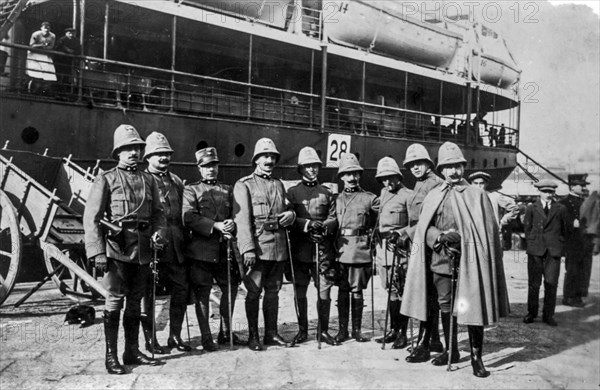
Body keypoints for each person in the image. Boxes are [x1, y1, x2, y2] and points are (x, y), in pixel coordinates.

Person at [401, 142, 510, 378]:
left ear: (463, 166)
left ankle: (476, 357)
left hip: (470, 262)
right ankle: (451, 350)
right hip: (440, 261)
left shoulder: (476, 195)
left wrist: (460, 239)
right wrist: (438, 237)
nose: (453, 171)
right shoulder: (434, 195)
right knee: (445, 306)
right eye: (448, 167)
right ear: (441, 170)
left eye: (457, 166)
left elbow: (485, 232)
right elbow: (423, 227)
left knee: (472, 307)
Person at [84, 124, 166, 374]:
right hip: (116, 248)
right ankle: (111, 357)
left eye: (136, 148)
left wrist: (159, 233)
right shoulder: (106, 179)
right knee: (114, 299)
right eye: (127, 149)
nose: (133, 153)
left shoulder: (148, 180)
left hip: (142, 249)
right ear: (117, 152)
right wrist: (97, 252)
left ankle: (131, 351)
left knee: (135, 301)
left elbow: (159, 214)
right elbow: (92, 218)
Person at [233, 138, 296, 351]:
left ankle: (271, 333)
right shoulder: (244, 185)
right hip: (258, 248)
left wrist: (291, 214)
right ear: (256, 159)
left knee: (273, 292)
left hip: (277, 248)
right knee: (253, 292)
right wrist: (247, 248)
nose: (269, 160)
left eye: (272, 157)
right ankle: (253, 336)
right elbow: (242, 221)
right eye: (264, 156)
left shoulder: (278, 184)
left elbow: (287, 207)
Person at [183, 147, 244, 351]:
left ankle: (226, 332)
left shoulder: (228, 190)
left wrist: (232, 225)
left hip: (225, 249)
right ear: (199, 169)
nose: (211, 170)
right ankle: (206, 337)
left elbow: (238, 214)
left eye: (214, 165)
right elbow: (189, 217)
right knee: (203, 293)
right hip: (201, 251)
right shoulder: (192, 190)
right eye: (206, 166)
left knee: (230, 289)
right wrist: (216, 226)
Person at [286, 147, 339, 345]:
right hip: (300, 250)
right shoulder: (292, 193)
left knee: (324, 290)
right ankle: (302, 331)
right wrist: (307, 225)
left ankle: (323, 331)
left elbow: (334, 217)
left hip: (322, 250)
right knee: (300, 291)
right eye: (308, 166)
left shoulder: (326, 192)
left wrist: (324, 227)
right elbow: (289, 217)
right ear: (301, 169)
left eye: (315, 166)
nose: (312, 170)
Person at [142, 132, 188, 354]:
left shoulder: (176, 181)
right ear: (148, 156)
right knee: (149, 295)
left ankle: (175, 336)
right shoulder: (143, 180)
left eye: (166, 154)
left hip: (177, 246)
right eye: (158, 154)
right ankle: (151, 340)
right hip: (153, 247)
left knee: (180, 291)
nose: (163, 158)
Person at [401, 144, 444, 362]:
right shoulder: (419, 184)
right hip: (418, 243)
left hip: (430, 246)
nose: (415, 167)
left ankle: (424, 344)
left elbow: (429, 220)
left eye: (419, 163)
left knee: (428, 295)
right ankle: (433, 339)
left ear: (429, 163)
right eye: (411, 165)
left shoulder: (435, 184)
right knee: (428, 294)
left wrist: (406, 233)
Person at [334, 153, 379, 343]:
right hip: (340, 249)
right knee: (342, 290)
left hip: (359, 250)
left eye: (355, 174)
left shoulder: (369, 199)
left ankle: (357, 331)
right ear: (342, 177)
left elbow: (382, 219)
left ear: (359, 175)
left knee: (357, 290)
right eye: (347, 174)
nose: (352, 178)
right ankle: (342, 331)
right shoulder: (335, 199)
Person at [372, 157, 412, 349]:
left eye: (390, 178)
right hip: (383, 248)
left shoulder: (408, 195)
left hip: (400, 247)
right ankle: (394, 330)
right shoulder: (383, 193)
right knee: (390, 289)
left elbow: (415, 223)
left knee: (401, 290)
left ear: (398, 176)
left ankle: (403, 333)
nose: (387, 182)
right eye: (383, 179)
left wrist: (401, 233)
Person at [523, 180, 569, 327]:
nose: (548, 195)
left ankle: (548, 315)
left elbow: (566, 229)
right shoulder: (531, 208)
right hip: (536, 250)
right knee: (534, 284)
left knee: (551, 284)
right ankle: (532, 312)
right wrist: (532, 242)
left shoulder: (561, 208)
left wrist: (559, 242)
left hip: (553, 251)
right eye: (545, 191)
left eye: (550, 192)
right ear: (539, 192)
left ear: (554, 192)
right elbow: (527, 227)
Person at [559, 175, 592, 307]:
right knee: (572, 270)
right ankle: (568, 297)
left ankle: (578, 296)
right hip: (572, 242)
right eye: (581, 185)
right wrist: (571, 224)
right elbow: (559, 223)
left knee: (583, 271)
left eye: (584, 185)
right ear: (572, 186)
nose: (584, 188)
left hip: (585, 242)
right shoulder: (564, 202)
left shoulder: (586, 201)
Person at [468, 171, 519, 249]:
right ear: (471, 184)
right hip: (473, 235)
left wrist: (503, 221)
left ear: (486, 184)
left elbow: (515, 209)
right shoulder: (467, 198)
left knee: (494, 259)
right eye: (475, 183)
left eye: (481, 183)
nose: (478, 186)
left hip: (492, 235)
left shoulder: (495, 196)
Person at [26, 21, 56, 94]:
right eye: (45, 28)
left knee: (49, 74)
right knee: (35, 74)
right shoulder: (36, 34)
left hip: (45, 55)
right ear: (41, 28)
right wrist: (42, 45)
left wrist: (43, 47)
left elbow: (51, 47)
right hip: (34, 55)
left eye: (48, 28)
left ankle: (44, 92)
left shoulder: (52, 36)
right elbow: (31, 45)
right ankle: (31, 91)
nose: (46, 30)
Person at [54, 27, 81, 97]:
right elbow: (57, 48)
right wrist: (66, 49)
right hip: (60, 60)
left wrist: (73, 52)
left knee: (66, 78)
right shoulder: (62, 39)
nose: (71, 35)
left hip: (69, 62)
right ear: (66, 33)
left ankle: (64, 94)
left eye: (73, 33)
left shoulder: (76, 41)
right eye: (69, 33)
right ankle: (56, 93)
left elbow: (79, 50)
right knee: (58, 77)